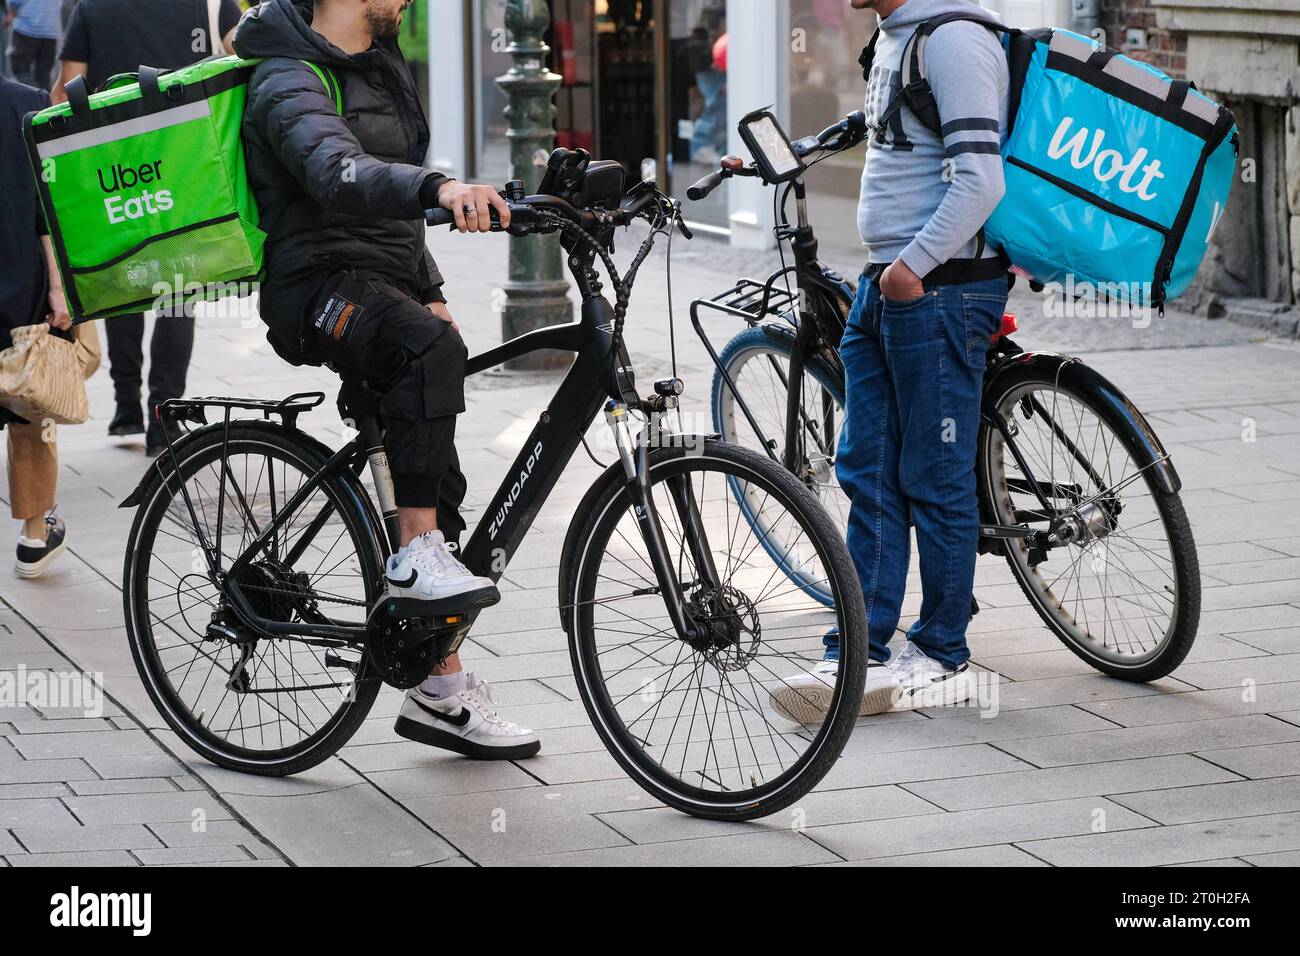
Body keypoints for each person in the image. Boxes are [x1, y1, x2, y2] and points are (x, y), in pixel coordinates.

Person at [233, 0, 539, 760]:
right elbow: (338, 172)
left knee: (439, 475)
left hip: (384, 282)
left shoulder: (382, 62)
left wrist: (430, 283)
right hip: (313, 287)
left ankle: (440, 690)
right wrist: (440, 187)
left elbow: (394, 219)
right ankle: (413, 556)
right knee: (424, 351)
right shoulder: (284, 72)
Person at [774, 0, 1010, 719]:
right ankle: (863, 641)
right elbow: (884, 134)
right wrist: (795, 150)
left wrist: (912, 267)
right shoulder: (894, 37)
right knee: (867, 469)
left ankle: (941, 651)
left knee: (933, 476)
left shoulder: (957, 39)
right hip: (887, 285)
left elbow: (982, 179)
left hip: (937, 289)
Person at [51, 0, 241, 454]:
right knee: (179, 288)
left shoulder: (92, 9)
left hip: (115, 170)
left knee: (125, 278)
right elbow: (241, 62)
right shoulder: (211, 3)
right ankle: (165, 419)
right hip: (184, 167)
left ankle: (124, 408)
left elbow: (65, 91)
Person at [0, 74, 69, 577]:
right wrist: (58, 287)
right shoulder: (26, 104)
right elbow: (49, 208)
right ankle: (33, 535)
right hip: (17, 285)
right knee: (30, 411)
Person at [5, 0, 61, 88]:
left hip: (26, 28)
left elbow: (13, 2)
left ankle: (32, 98)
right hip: (50, 30)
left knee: (21, 70)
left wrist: (10, 12)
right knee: (43, 76)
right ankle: (43, 99)